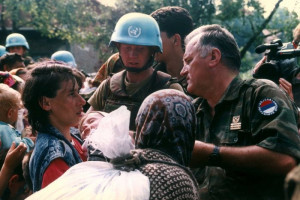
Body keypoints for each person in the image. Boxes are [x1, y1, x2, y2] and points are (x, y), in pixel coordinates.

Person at [180, 24, 300, 200]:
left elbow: (284, 159)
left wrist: (212, 154)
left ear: (214, 57)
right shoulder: (192, 110)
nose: (182, 71)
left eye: (189, 61)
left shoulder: (260, 94)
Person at [25, 89, 199, 200]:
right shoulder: (178, 179)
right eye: (71, 93)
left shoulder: (121, 165)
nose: (82, 101)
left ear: (142, 124)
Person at [88, 12, 183, 131]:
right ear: (119, 48)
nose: (132, 55)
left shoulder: (170, 89)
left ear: (152, 50)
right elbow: (87, 122)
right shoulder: (108, 86)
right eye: (127, 48)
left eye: (140, 49)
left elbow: (182, 139)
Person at [22, 60, 87, 192]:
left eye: (78, 92)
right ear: (46, 103)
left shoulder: (73, 136)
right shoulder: (55, 158)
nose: (82, 101)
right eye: (71, 94)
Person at [150, 6, 193, 91]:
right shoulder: (151, 79)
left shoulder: (201, 78)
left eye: (156, 37)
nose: (150, 43)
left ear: (175, 40)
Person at [0, 83, 34, 152]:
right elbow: (17, 147)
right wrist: (29, 141)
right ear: (10, 113)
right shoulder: (5, 129)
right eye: (18, 109)